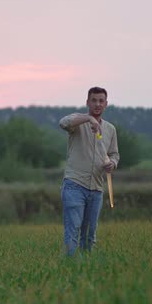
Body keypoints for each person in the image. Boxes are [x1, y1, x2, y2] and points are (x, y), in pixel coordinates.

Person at [58, 86, 120, 256]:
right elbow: (63, 122)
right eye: (94, 100)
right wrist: (88, 119)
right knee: (73, 232)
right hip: (74, 185)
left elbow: (114, 154)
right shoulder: (79, 122)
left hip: (97, 189)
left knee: (89, 236)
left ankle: (85, 272)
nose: (97, 104)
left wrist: (112, 164)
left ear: (106, 104)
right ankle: (69, 269)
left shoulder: (110, 129)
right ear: (87, 102)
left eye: (101, 101)